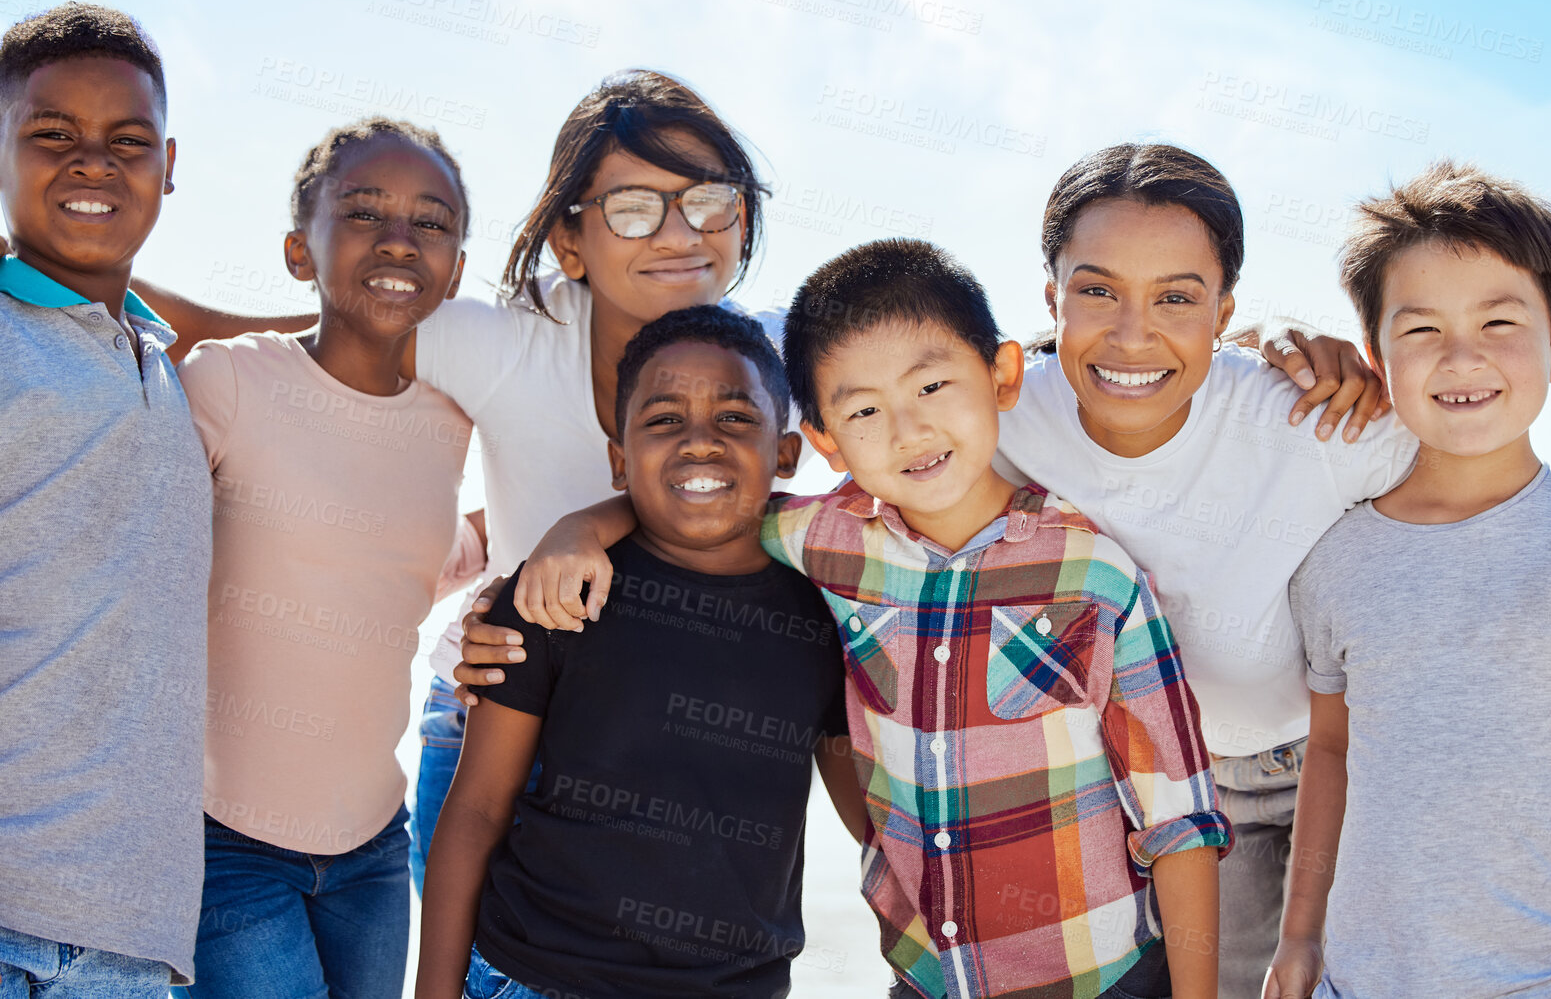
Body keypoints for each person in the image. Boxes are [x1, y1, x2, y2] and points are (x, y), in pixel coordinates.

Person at [0, 69, 784, 894]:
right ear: (571, 238)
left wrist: (574, 527)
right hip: (492, 709)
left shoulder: (784, 361)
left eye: (710, 200)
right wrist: (29, 276)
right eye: (635, 208)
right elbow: (319, 328)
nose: (679, 234)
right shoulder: (509, 342)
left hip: (654, 735)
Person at [513, 240, 1232, 999]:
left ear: (1002, 375)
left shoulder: (1096, 575)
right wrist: (580, 528)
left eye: (931, 385)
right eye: (862, 409)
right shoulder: (826, 539)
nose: (907, 429)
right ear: (824, 438)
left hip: (1102, 980)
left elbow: (1181, 819)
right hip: (922, 978)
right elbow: (699, 501)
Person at [991, 143, 1423, 996]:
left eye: (1176, 298)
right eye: (1097, 289)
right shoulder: (1003, 419)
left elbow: (1487, 477)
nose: (1131, 333)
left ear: (1224, 312)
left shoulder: (1305, 418)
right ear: (1053, 298)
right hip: (1167, 787)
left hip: (1334, 764)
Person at [1265, 162, 1551, 999]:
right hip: (1358, 980)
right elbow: (1330, 750)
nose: (1461, 355)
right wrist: (1298, 934)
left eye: (1499, 320)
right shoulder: (1333, 560)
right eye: (1421, 329)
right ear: (1376, 356)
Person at [416, 305, 857, 999]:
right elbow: (475, 812)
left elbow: (872, 820)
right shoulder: (552, 596)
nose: (701, 441)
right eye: (663, 420)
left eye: (736, 418)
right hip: (534, 977)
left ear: (786, 452)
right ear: (619, 461)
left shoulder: (826, 615)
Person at [0, 2, 209, 996]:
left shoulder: (164, 366)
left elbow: (344, 335)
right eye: (53, 137)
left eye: (128, 142)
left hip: (139, 938)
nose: (92, 163)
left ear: (170, 168)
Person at [172, 117, 486, 998]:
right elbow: (132, 532)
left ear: (457, 267)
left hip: (373, 849)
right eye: (362, 213)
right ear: (297, 251)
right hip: (220, 838)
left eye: (431, 221)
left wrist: (507, 548)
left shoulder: (454, 418)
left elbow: (404, 557)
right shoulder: (226, 381)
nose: (399, 238)